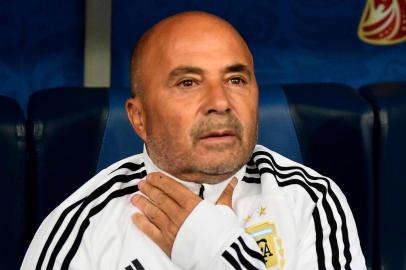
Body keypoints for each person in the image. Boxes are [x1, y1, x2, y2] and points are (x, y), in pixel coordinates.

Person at [21, 11, 366, 270]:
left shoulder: (310, 199)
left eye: (235, 79)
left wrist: (218, 250)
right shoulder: (81, 227)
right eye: (188, 83)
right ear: (139, 117)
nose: (220, 101)